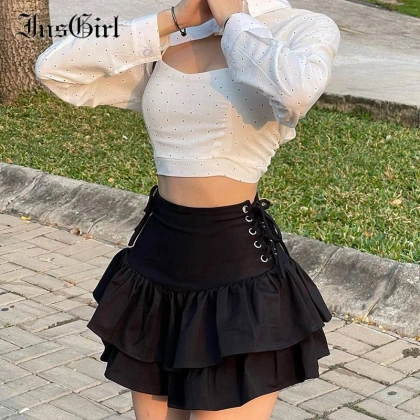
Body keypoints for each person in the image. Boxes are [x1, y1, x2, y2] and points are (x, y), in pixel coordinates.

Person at [35, 0, 340, 418]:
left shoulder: (300, 28)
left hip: (238, 281)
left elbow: (296, 92)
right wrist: (173, 20)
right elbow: (53, 69)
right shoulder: (176, 30)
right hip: (154, 270)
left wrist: (233, 19)